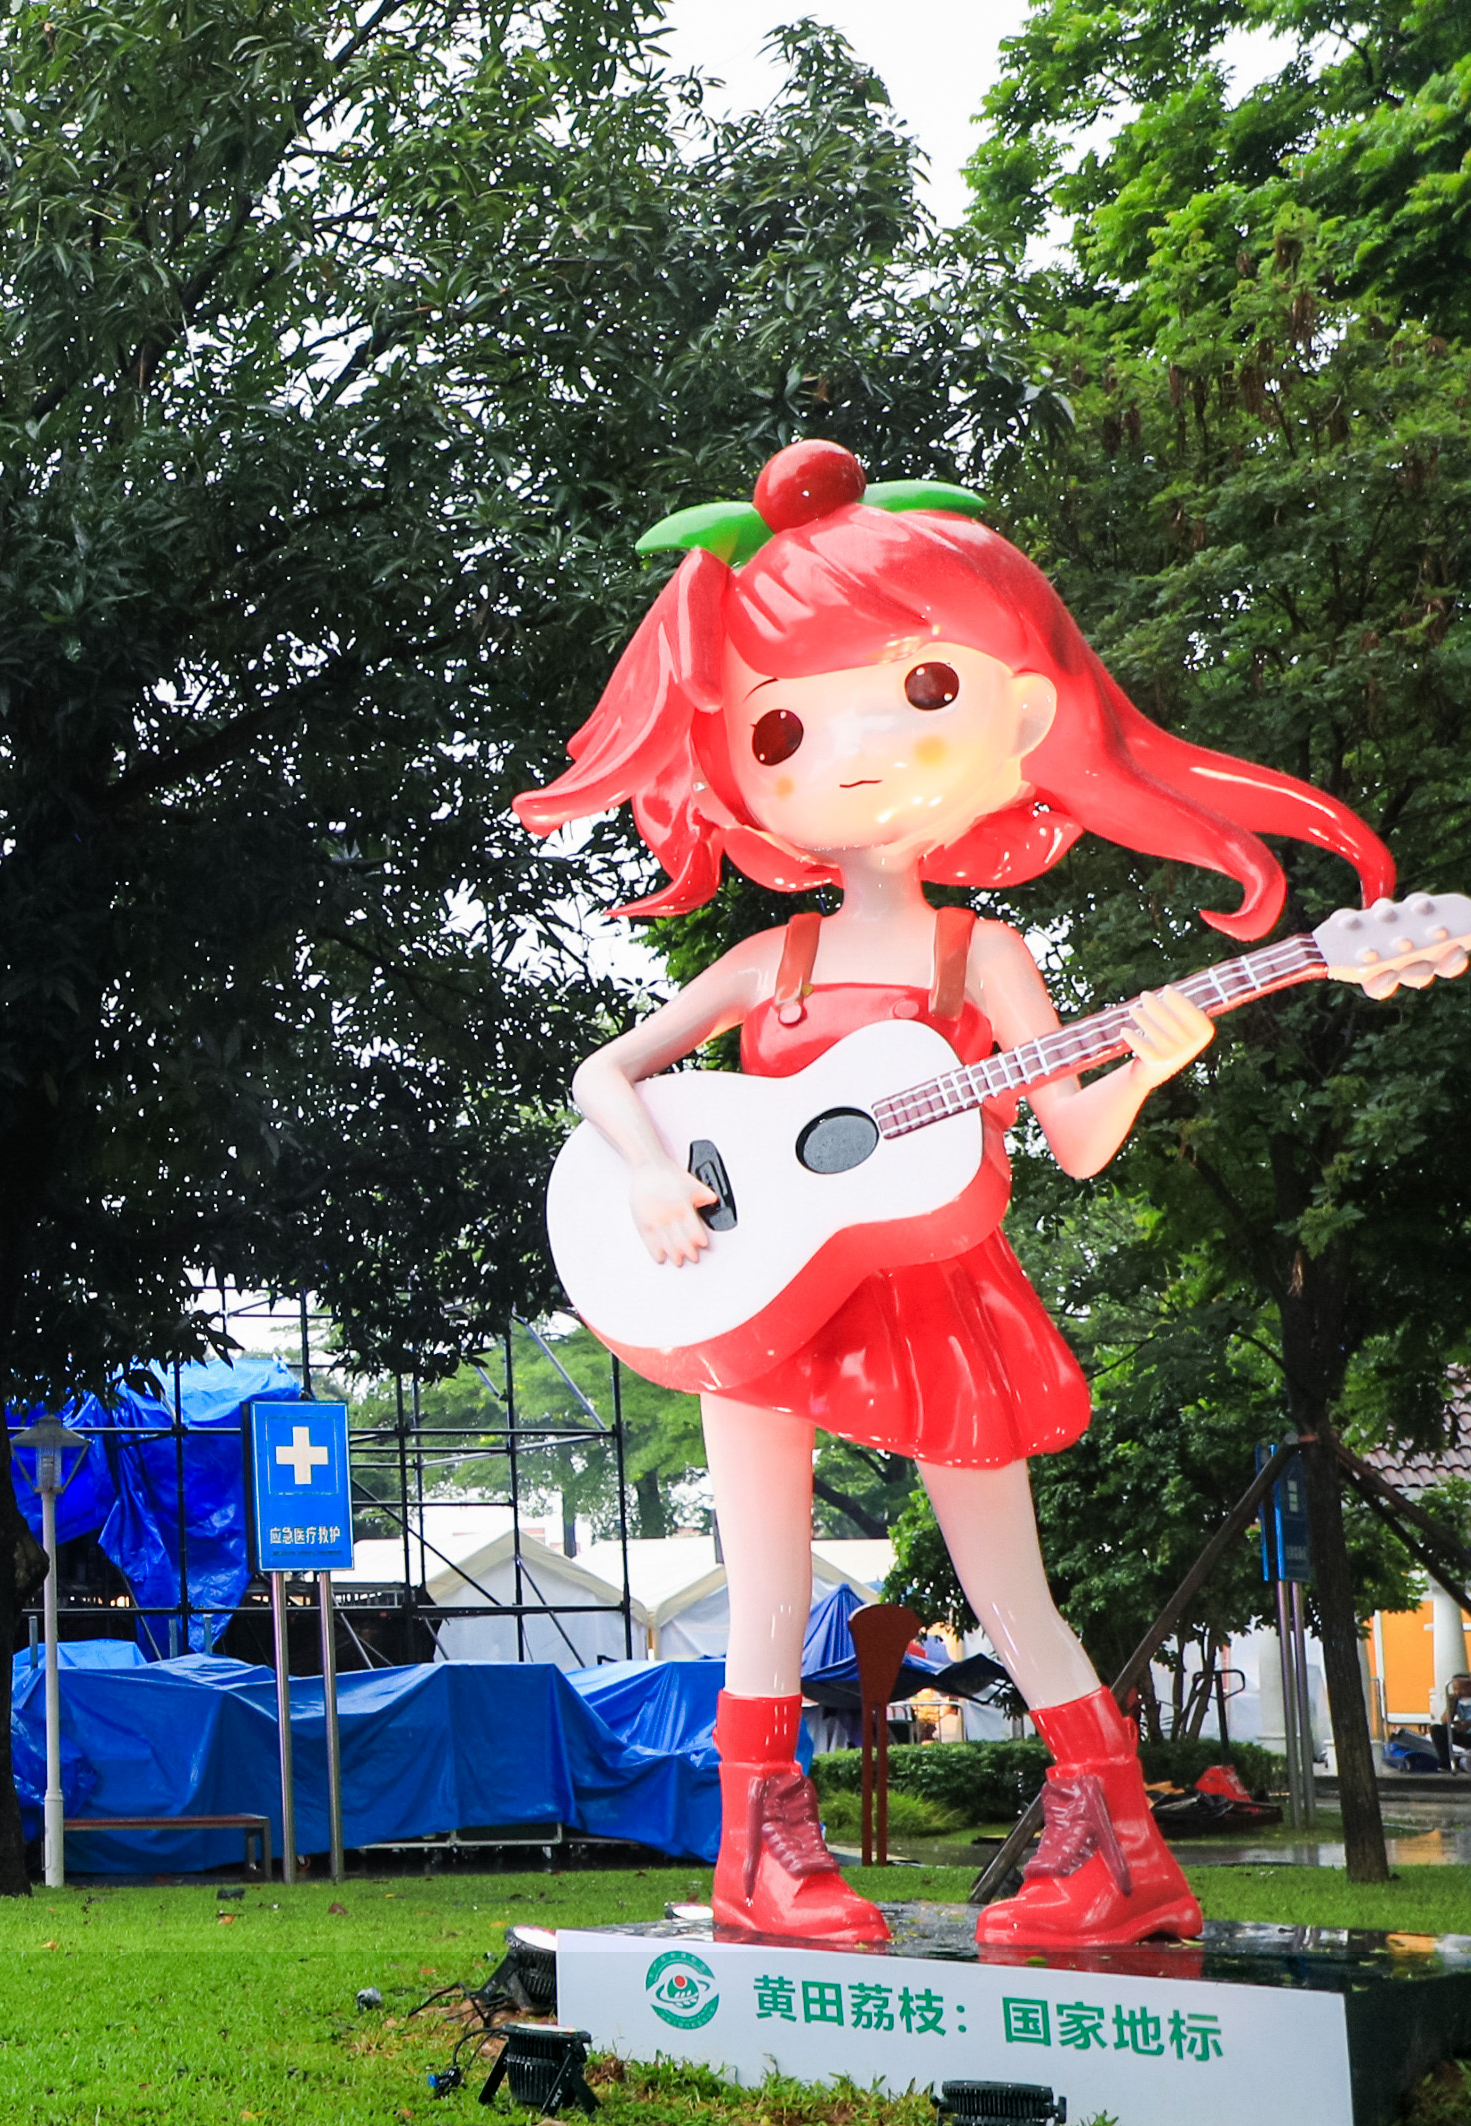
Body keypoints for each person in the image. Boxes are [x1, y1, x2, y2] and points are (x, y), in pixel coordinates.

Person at [524, 439, 1398, 1949]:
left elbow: (1074, 1137)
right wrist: (659, 1176)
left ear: (1023, 717)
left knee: (1010, 1592)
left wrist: (1152, 1060)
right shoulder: (770, 959)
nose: (855, 752)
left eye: (921, 690)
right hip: (751, 1283)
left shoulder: (977, 953)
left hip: (937, 1291)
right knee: (763, 1581)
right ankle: (759, 1859)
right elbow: (608, 1075)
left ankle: (1120, 1852)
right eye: (785, 723)